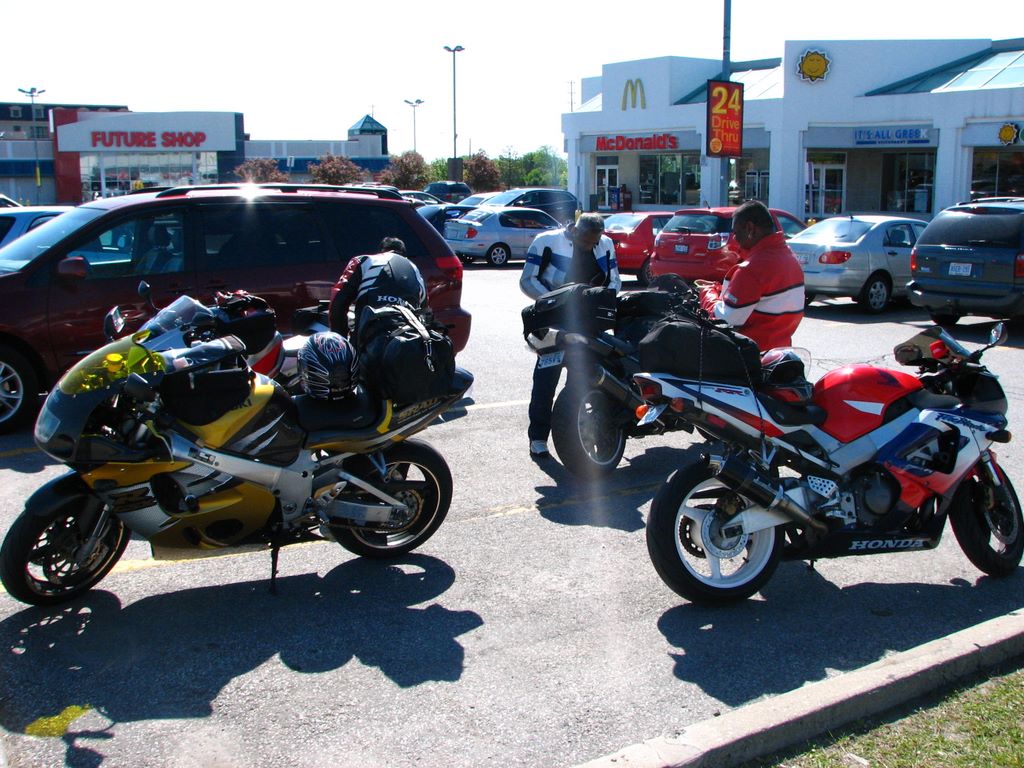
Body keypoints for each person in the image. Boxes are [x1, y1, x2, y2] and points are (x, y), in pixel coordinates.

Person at [520, 213, 621, 458]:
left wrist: (601, 302)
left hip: (589, 324)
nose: (589, 246)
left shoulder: (605, 245)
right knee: (545, 381)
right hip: (553, 323)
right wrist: (555, 302)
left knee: (581, 382)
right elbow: (527, 280)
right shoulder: (546, 242)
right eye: (585, 240)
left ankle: (576, 437)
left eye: (594, 242)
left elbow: (614, 281)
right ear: (575, 230)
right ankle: (538, 438)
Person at [698, 200, 805, 352]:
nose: (735, 238)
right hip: (780, 351)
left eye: (736, 232)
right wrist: (721, 289)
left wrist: (707, 293)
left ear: (750, 228)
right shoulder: (788, 257)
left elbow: (725, 321)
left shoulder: (752, 269)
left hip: (750, 356)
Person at [329, 237, 427, 337]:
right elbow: (424, 311)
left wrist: (340, 336)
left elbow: (339, 300)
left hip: (370, 334)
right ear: (404, 254)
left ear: (381, 251)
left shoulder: (364, 261)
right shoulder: (416, 271)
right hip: (408, 336)